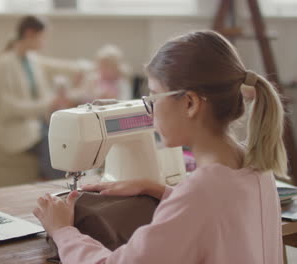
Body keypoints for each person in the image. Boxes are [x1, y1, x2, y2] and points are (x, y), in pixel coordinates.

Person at [33, 30, 286, 263]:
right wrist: (156, 189)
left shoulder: (200, 192)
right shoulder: (256, 165)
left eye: (153, 97)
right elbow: (221, 213)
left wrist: (62, 230)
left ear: (189, 103)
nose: (150, 111)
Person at [0, 15, 82, 180]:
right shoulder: (5, 64)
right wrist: (47, 104)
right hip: (19, 129)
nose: (44, 42)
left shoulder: (31, 60)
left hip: (39, 124)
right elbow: (8, 108)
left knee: (69, 136)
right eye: (43, 37)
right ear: (29, 33)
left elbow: (57, 69)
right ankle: (61, 186)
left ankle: (62, 182)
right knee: (53, 142)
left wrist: (80, 70)